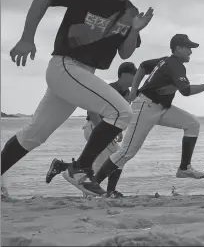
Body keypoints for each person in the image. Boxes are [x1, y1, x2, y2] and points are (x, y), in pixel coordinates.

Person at [1, 0, 154, 197]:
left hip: (82, 75)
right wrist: (26, 38)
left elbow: (125, 54)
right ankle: (80, 169)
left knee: (34, 135)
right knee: (121, 112)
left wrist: (135, 30)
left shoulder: (130, 12)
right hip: (66, 66)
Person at [71, 34, 204, 194]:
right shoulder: (175, 64)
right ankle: (92, 185)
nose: (191, 52)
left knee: (192, 124)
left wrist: (134, 90)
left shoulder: (165, 61)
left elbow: (143, 66)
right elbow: (186, 91)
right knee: (126, 152)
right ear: (178, 49)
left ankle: (184, 168)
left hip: (161, 108)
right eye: (188, 48)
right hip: (146, 107)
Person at [45, 62, 138, 198]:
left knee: (98, 163)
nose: (136, 79)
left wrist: (116, 131)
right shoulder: (110, 90)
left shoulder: (127, 94)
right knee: (118, 157)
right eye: (134, 75)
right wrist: (105, 132)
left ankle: (62, 167)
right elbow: (91, 110)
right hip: (94, 126)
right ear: (124, 75)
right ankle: (105, 191)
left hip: (103, 129)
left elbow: (119, 116)